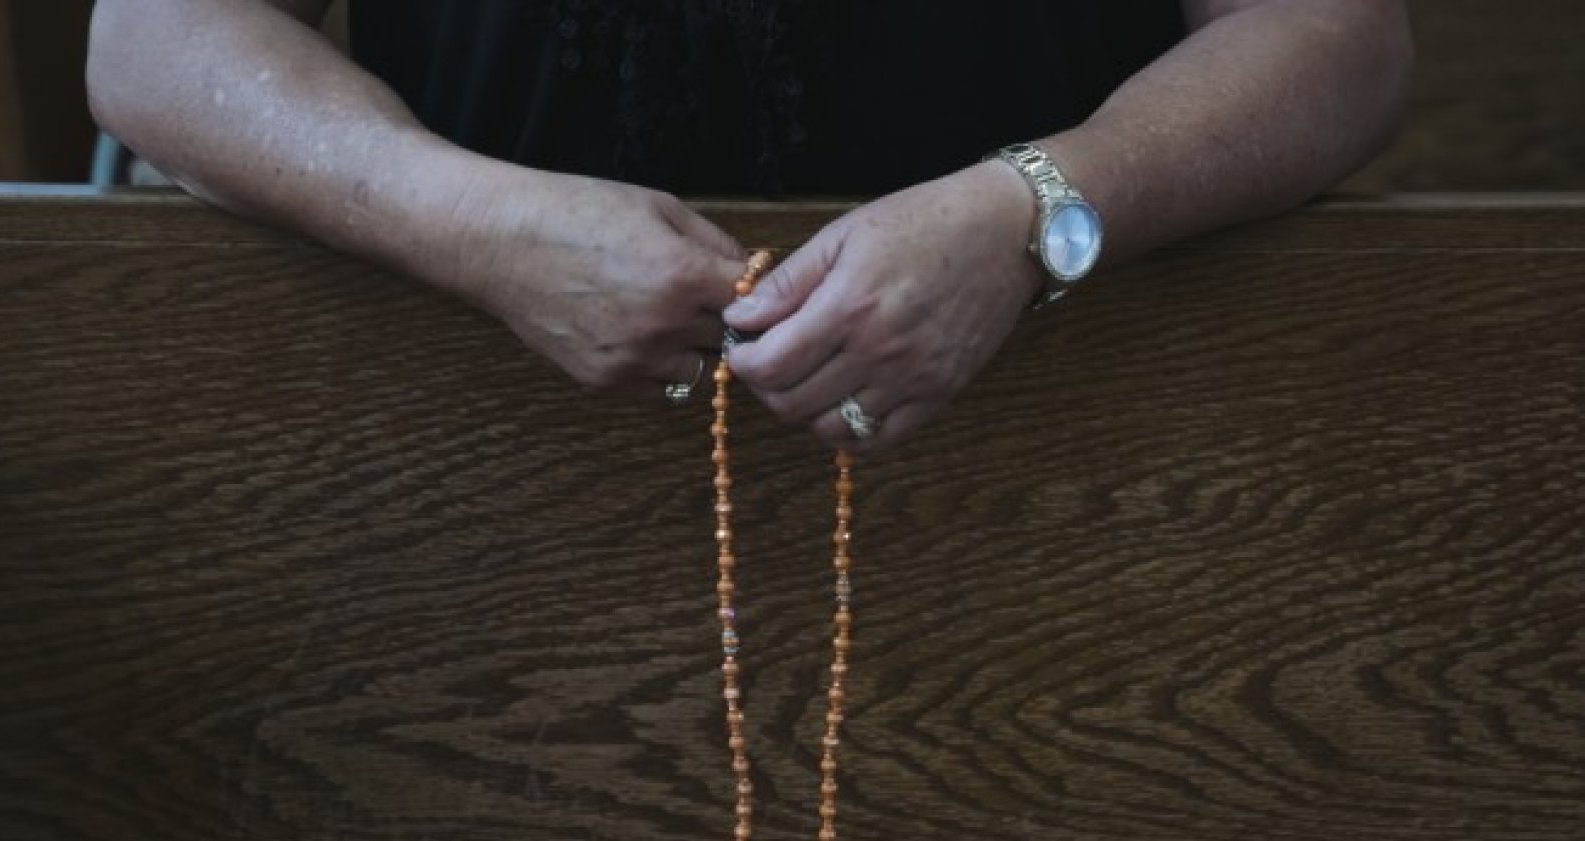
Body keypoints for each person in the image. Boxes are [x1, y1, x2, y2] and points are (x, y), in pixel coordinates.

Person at [87, 0, 1412, 451]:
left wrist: (1033, 209)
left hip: (1077, 440)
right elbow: (153, 34)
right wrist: (475, 224)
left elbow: (1335, 32)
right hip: (461, 448)